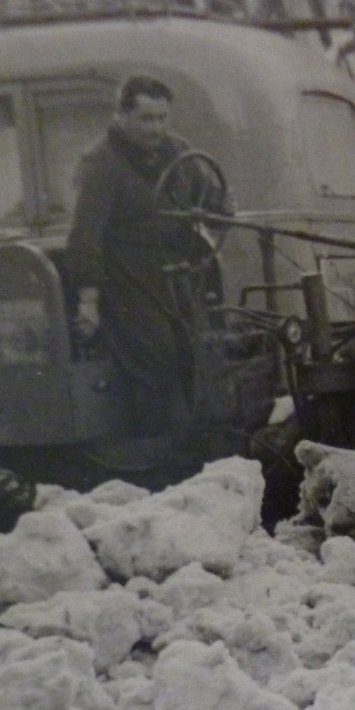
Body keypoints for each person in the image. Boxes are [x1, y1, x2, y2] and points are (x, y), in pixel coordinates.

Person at [67, 74, 228, 440]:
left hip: (176, 276)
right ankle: (154, 458)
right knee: (156, 364)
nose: (156, 128)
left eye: (162, 118)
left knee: (194, 356)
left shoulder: (179, 153)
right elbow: (85, 236)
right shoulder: (101, 164)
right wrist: (89, 301)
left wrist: (219, 205)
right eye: (146, 119)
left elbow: (210, 199)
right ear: (121, 116)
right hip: (129, 284)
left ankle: (193, 448)